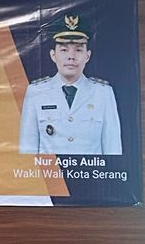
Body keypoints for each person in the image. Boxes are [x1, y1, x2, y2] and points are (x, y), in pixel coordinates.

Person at [19, 13, 122, 155]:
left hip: (91, 170)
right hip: (50, 170)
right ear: (53, 55)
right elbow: (27, 150)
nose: (71, 57)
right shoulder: (36, 92)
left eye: (78, 50)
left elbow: (113, 149)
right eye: (64, 50)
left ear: (87, 55)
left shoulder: (103, 93)